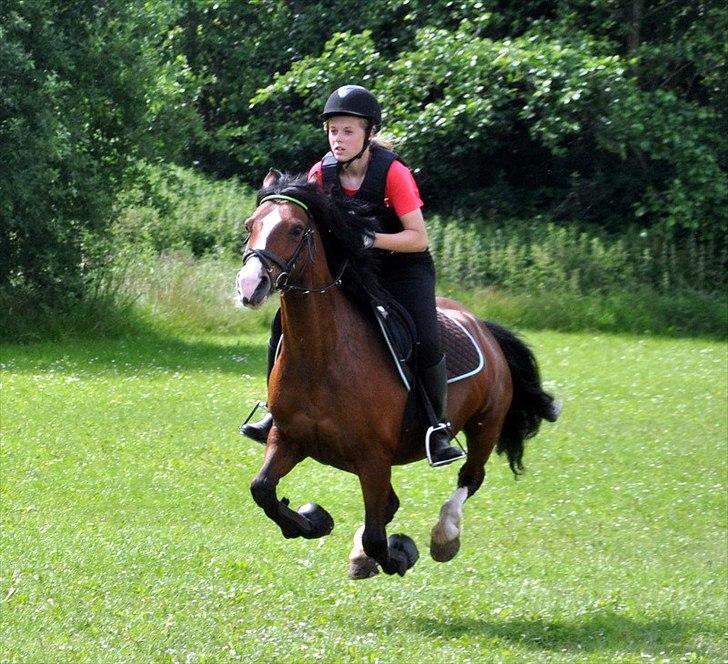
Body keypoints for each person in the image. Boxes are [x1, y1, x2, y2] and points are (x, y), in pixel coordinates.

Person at [242, 84, 465, 466]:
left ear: (368, 133)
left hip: (403, 270)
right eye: (333, 131)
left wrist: (371, 237)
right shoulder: (320, 172)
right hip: (352, 270)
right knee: (282, 324)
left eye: (348, 131)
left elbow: (418, 238)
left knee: (426, 338)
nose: (338, 139)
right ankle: (274, 411)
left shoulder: (394, 173)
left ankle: (436, 428)